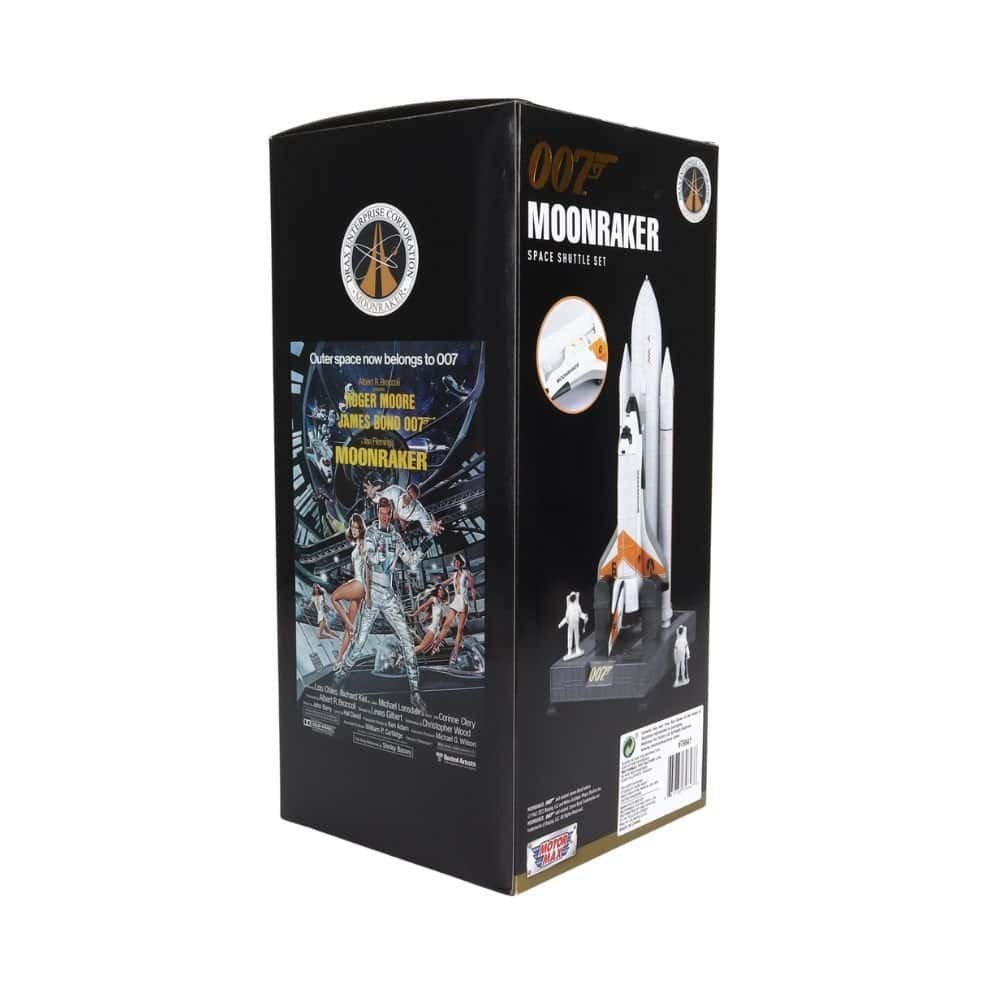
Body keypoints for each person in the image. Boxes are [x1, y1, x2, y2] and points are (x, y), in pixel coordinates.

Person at [333, 497, 427, 714]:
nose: (384, 516)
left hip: (389, 596)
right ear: (378, 513)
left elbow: (411, 561)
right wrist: (379, 555)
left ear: (391, 514)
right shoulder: (371, 533)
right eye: (381, 513)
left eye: (387, 513)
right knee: (359, 641)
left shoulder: (397, 537)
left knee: (407, 639)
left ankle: (415, 692)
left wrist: (424, 546)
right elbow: (370, 558)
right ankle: (340, 677)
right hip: (372, 594)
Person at [329, 514, 369, 663]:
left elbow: (368, 568)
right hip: (358, 584)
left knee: (334, 597)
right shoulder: (358, 544)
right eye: (352, 527)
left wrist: (368, 593)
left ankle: (350, 625)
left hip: (360, 584)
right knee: (348, 628)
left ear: (361, 528)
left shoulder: (363, 544)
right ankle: (339, 660)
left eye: (357, 528)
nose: (354, 530)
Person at [432, 554, 477, 665]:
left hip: (464, 601)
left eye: (457, 561)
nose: (456, 563)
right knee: (446, 625)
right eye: (455, 562)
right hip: (456, 600)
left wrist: (474, 603)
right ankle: (435, 645)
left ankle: (455, 652)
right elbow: (444, 583)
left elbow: (472, 588)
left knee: (460, 629)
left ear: (461, 562)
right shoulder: (454, 575)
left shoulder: (466, 573)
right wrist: (436, 586)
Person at [364, 480, 443, 537]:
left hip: (404, 517)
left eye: (411, 497)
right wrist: (373, 495)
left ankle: (402, 528)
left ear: (415, 500)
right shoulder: (395, 491)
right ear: (406, 490)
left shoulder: (418, 510)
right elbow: (380, 497)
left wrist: (432, 529)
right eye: (408, 493)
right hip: (397, 512)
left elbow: (426, 524)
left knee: (401, 527)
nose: (408, 498)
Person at [413, 584, 448, 655]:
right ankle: (403, 656)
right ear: (437, 591)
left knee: (424, 649)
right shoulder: (433, 599)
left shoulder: (440, 603)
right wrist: (415, 614)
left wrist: (426, 617)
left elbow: (432, 612)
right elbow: (423, 607)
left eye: (442, 589)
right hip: (433, 628)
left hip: (437, 630)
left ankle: (405, 656)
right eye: (439, 589)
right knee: (422, 646)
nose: (441, 591)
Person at [558, 591, 589, 660]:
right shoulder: (569, 607)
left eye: (574, 597)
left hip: (576, 624)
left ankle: (577, 648)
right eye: (572, 597)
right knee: (570, 637)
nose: (573, 598)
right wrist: (561, 624)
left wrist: (584, 616)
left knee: (577, 636)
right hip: (570, 625)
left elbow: (580, 614)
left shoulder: (577, 606)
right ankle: (569, 651)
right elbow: (566, 618)